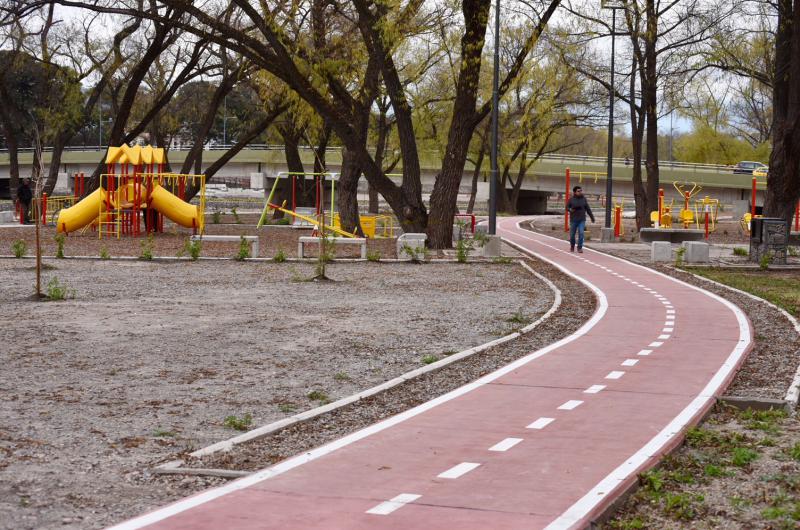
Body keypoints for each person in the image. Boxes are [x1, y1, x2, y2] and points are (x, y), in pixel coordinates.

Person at [566, 185, 595, 253]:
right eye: (578, 191)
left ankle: (579, 247)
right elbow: (567, 208)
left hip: (582, 219)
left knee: (581, 233)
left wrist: (592, 217)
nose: (580, 192)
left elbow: (588, 209)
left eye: (581, 191)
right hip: (573, 220)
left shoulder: (584, 199)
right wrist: (570, 210)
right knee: (572, 235)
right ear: (575, 192)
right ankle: (572, 246)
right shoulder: (571, 199)